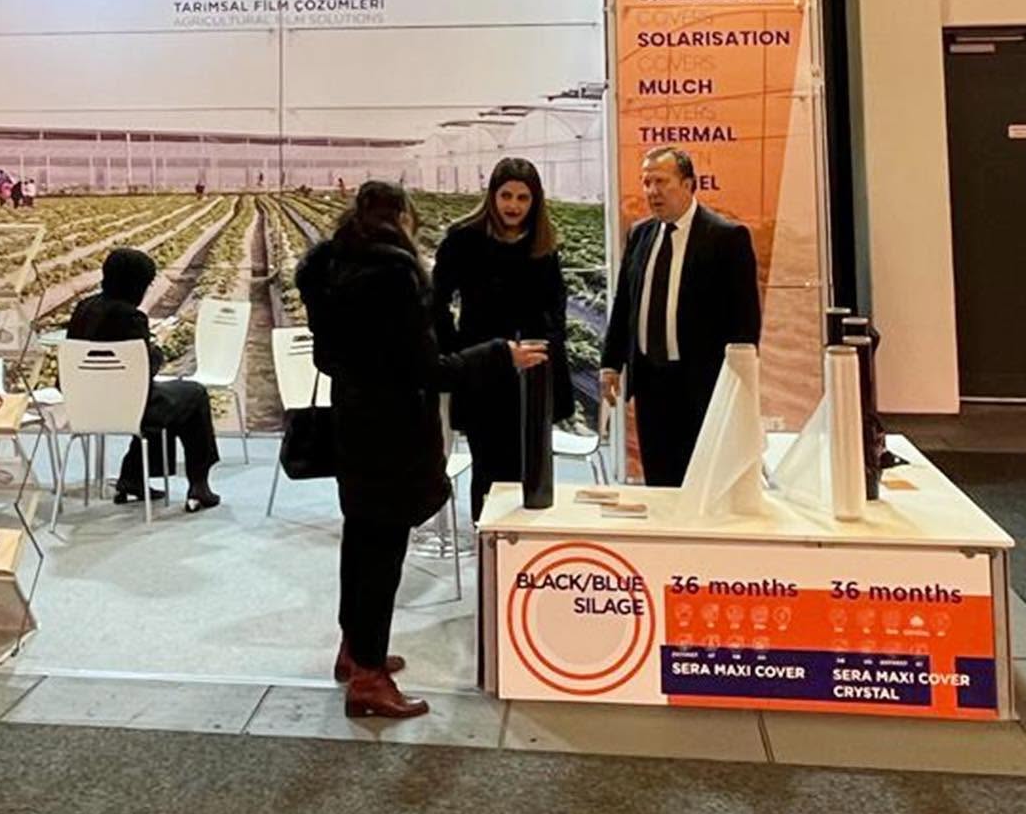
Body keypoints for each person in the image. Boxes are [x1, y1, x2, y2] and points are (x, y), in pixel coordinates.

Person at [297, 181, 545, 720]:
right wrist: (498, 354)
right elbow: (429, 371)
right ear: (403, 219)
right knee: (382, 554)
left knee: (360, 542)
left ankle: (355, 650)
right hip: (394, 433)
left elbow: (328, 359)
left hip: (353, 424)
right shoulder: (395, 278)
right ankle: (369, 679)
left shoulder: (329, 271)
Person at [600, 147, 761, 487]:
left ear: (688, 184)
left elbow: (746, 323)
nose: (652, 191)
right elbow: (626, 303)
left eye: (661, 182)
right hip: (650, 383)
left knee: (701, 484)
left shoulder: (726, 237)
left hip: (702, 386)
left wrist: (737, 386)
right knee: (659, 484)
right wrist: (611, 363)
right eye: (646, 183)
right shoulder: (640, 234)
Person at [432, 157, 576, 521]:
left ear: (535, 200)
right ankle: (488, 540)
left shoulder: (543, 243)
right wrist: (457, 353)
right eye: (506, 195)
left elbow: (556, 304)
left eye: (523, 198)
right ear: (492, 196)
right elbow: (436, 303)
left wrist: (548, 346)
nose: (513, 205)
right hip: (483, 369)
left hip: (534, 372)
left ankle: (523, 545)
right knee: (488, 467)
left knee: (532, 469)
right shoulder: (463, 240)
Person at [66, 248, 221, 513]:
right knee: (193, 395)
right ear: (136, 285)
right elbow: (143, 372)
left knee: (167, 401)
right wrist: (156, 352)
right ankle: (199, 484)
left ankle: (134, 477)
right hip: (128, 406)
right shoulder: (131, 317)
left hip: (84, 406)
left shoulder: (84, 308)